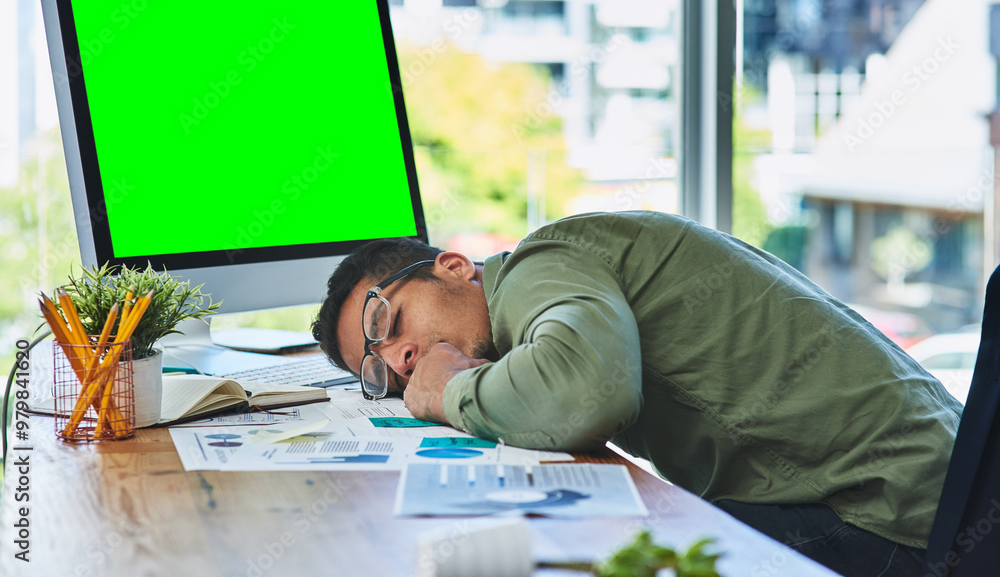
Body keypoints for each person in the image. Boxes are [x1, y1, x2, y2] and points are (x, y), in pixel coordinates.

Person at [312, 210, 961, 576]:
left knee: (609, 560)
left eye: (386, 321)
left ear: (454, 267)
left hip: (897, 516)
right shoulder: (531, 306)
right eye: (380, 374)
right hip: (903, 494)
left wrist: (451, 387)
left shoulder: (540, 263)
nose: (398, 359)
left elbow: (586, 388)